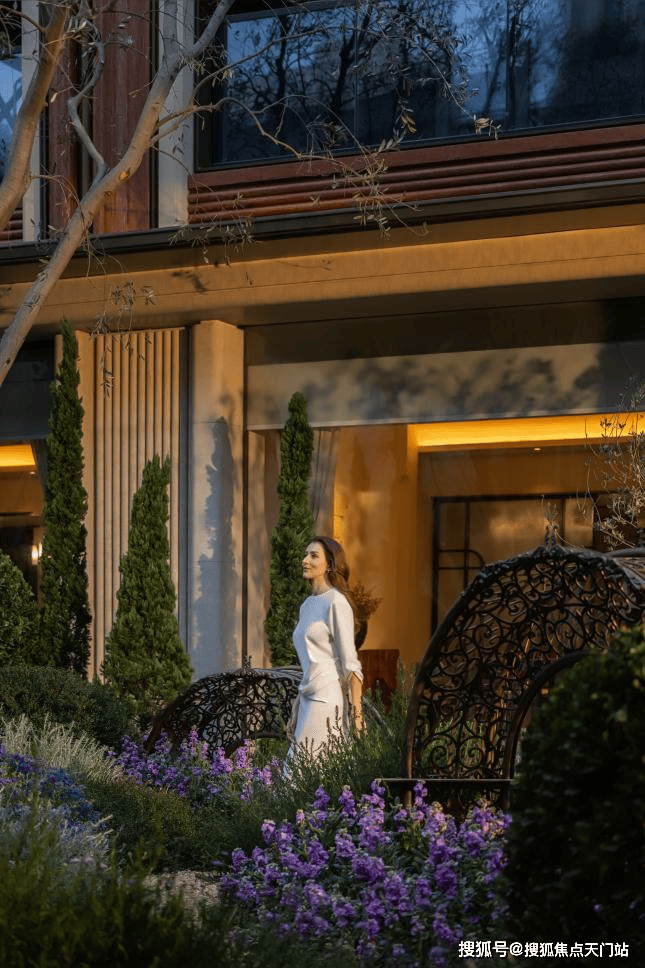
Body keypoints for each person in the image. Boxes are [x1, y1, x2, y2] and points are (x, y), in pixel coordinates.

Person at [285, 536, 364, 763]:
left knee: (301, 768)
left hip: (327, 698)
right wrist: (297, 706)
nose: (305, 560)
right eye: (305, 555)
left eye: (313, 556)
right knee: (305, 769)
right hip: (308, 697)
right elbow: (310, 663)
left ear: (329, 564)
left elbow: (351, 664)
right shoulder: (307, 605)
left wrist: (357, 716)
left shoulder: (336, 602)